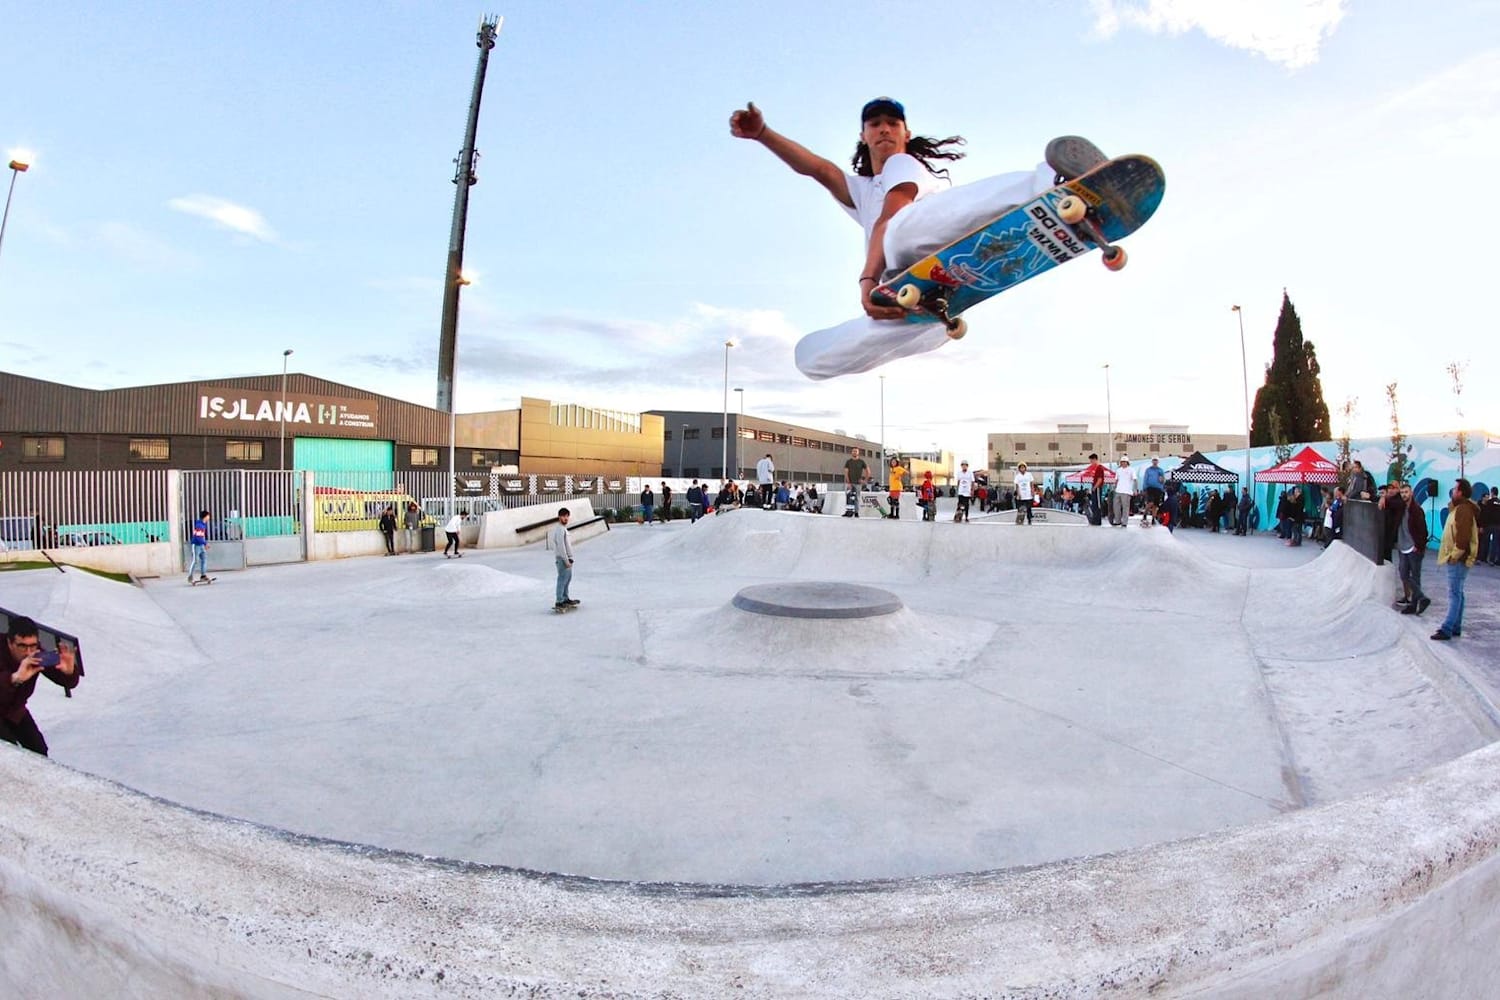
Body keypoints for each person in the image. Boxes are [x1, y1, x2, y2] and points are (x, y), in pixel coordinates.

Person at [730, 98, 1106, 380]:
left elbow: (890, 215)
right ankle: (929, 308)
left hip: (920, 247)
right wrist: (763, 134)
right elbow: (819, 169)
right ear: (863, 136)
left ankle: (1055, 180)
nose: (884, 130)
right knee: (810, 358)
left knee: (898, 231)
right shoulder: (861, 190)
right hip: (918, 309)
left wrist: (868, 279)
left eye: (893, 123)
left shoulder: (904, 164)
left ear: (906, 134)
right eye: (875, 124)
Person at [2, 617, 81, 756]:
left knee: (39, 751)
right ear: (10, 642)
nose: (28, 652)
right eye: (22, 646)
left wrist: (69, 673)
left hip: (15, 711)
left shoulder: (36, 653)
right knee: (9, 751)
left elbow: (65, 680)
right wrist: (14, 679)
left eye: (33, 646)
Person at [1433, 479, 1480, 641]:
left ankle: (1447, 628)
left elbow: (1463, 537)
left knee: (1454, 593)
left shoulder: (1463, 510)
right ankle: (1455, 626)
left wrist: (1454, 556)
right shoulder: (1459, 508)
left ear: (1460, 492)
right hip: (1457, 559)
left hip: (1458, 560)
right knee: (1458, 592)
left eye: (1454, 489)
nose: (1452, 491)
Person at [1392, 481, 1431, 615]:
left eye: (1406, 492)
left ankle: (1414, 605)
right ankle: (1421, 597)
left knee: (1415, 577)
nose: (1404, 495)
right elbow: (1390, 500)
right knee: (1404, 574)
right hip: (1403, 546)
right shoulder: (1400, 508)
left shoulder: (1416, 510)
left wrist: (1418, 546)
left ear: (1411, 493)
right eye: (1402, 492)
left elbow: (1423, 531)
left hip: (1413, 548)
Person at [549, 507, 578, 611]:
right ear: (559, 517)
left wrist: (570, 558)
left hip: (567, 559)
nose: (566, 518)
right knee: (562, 580)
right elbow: (561, 547)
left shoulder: (563, 529)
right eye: (563, 516)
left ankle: (565, 598)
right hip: (562, 559)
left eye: (567, 516)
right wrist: (566, 560)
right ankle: (559, 601)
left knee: (567, 579)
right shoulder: (560, 530)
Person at [843, 447, 869, 517]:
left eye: (856, 451)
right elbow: (846, 472)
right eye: (853, 451)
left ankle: (856, 512)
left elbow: (868, 471)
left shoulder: (861, 462)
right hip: (850, 483)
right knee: (848, 497)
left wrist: (865, 480)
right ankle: (848, 511)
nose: (854, 452)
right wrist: (848, 482)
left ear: (858, 453)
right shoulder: (848, 462)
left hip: (858, 483)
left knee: (857, 498)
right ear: (852, 452)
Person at [1110, 457, 1136, 528]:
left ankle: (1124, 522)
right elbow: (1116, 480)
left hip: (1127, 491)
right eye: (1122, 462)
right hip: (1118, 490)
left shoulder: (1131, 470)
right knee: (1116, 506)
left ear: (1127, 462)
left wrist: (1135, 489)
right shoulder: (1118, 470)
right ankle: (1118, 520)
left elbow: (1135, 480)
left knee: (1125, 507)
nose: (1123, 463)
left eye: (1125, 462)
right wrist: (1114, 488)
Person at [187, 508, 212, 581]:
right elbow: (198, 537)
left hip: (201, 545)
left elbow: (202, 536)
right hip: (196, 545)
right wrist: (205, 543)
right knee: (195, 561)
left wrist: (204, 544)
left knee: (204, 559)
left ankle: (203, 575)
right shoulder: (199, 525)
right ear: (205, 516)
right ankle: (190, 576)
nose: (209, 517)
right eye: (208, 516)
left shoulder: (203, 525)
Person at [1083, 453, 1107, 526]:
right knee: (1094, 504)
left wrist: (1094, 487)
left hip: (1097, 488)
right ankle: (1095, 519)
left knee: (1097, 504)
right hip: (1095, 488)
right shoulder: (1096, 469)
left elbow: (1100, 480)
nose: (1091, 462)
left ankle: (1097, 520)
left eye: (1091, 461)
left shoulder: (1099, 468)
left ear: (1095, 459)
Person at [1478, 487, 1500, 566]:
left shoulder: (1489, 502)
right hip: (1498, 526)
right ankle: (1492, 560)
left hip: (1489, 525)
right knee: (1495, 543)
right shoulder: (1499, 502)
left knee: (1484, 541)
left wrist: (1482, 525)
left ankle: (1481, 557)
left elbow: (1486, 514)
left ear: (1492, 493)